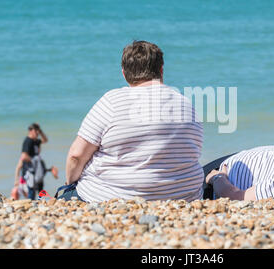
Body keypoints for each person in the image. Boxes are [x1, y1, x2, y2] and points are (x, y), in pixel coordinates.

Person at [57, 40, 204, 202]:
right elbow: (193, 153)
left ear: (124, 73)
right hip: (183, 198)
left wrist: (70, 183)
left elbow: (76, 156)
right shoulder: (186, 104)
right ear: (161, 70)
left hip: (112, 198)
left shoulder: (112, 101)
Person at [13, 123, 58, 200]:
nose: (37, 133)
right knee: (31, 191)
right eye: (36, 131)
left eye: (38, 132)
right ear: (30, 131)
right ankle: (33, 204)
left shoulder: (36, 141)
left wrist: (41, 132)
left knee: (40, 189)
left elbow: (45, 140)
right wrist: (16, 180)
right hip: (30, 172)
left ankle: (40, 203)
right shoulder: (28, 141)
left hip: (37, 171)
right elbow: (23, 158)